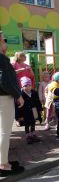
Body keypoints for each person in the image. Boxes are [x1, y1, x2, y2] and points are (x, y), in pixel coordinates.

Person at [0, 31, 25, 176]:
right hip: (4, 98)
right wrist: (18, 95)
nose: (5, 43)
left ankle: (3, 160)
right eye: (3, 40)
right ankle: (3, 165)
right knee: (4, 132)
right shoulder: (2, 59)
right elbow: (3, 81)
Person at [16, 77, 42, 144]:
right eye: (25, 86)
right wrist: (19, 116)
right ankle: (28, 136)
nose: (28, 87)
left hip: (34, 110)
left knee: (33, 122)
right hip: (26, 112)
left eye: (29, 85)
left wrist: (39, 109)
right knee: (27, 124)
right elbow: (18, 106)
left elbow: (37, 101)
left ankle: (33, 134)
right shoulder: (21, 94)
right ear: (22, 86)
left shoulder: (34, 92)